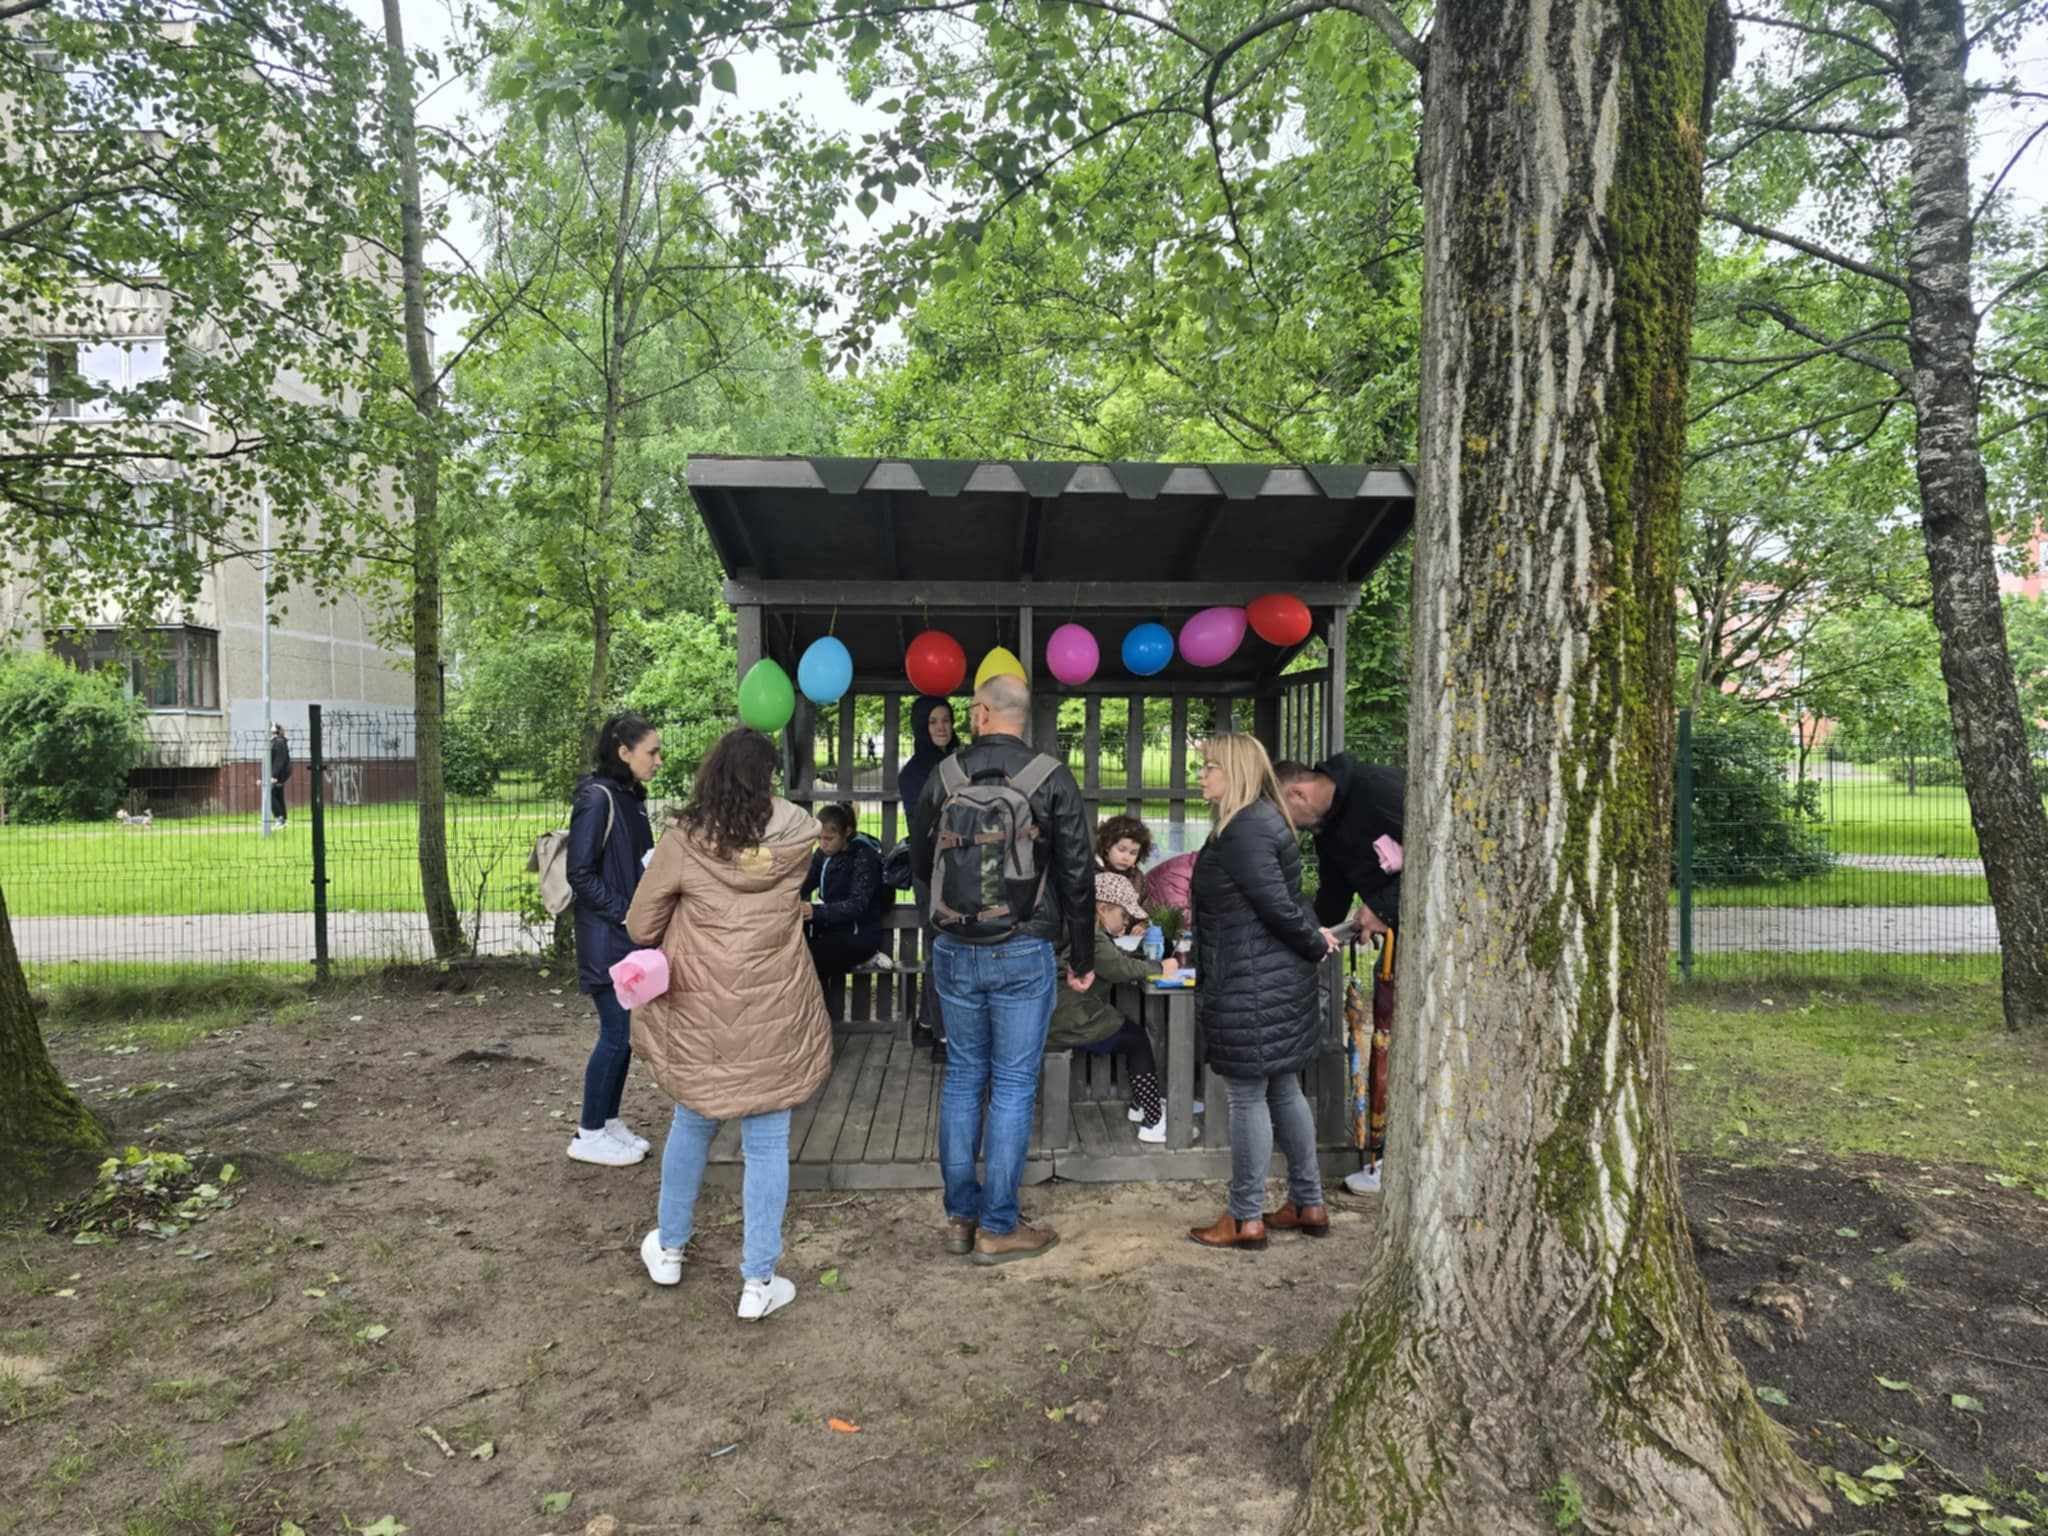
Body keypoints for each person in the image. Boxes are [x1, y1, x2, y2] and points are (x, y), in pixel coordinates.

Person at [625, 728, 832, 1321]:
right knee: (767, 1142)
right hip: (775, 1005)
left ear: (712, 774)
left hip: (701, 1010)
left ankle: (669, 1249)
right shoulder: (797, 839)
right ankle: (758, 1282)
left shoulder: (683, 842)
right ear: (770, 776)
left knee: (693, 1120)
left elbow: (641, 926)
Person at [912, 672, 1095, 1265]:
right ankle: (999, 1226)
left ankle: (960, 1219)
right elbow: (1077, 874)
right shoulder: (1051, 777)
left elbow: (920, 860)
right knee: (1013, 1085)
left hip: (954, 946)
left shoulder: (945, 776)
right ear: (1023, 716)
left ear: (980, 713)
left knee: (964, 1078)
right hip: (1023, 946)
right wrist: (1083, 956)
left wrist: (944, 926)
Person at [1188, 734, 1342, 1251]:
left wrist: (1313, 942)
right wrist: (1310, 938)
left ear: (1235, 771)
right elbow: (1282, 904)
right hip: (1268, 979)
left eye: (1211, 766)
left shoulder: (1246, 828)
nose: (1202, 775)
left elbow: (1276, 905)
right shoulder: (1256, 823)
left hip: (1251, 983)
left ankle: (1244, 1216)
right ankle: (1307, 1202)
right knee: (1282, 1088)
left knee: (1249, 1095)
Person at [1274, 755, 1404, 1195]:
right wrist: (1305, 939)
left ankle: (1398, 1158)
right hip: (1399, 937)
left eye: (1284, 815)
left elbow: (1442, 846)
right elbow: (1332, 897)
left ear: (1298, 793)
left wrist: (1382, 907)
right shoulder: (1326, 830)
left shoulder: (1377, 788)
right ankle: (1390, 1156)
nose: (1288, 829)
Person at [564, 712, 661, 1169]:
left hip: (628, 938)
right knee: (617, 1033)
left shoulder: (630, 798)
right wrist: (625, 912)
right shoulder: (596, 798)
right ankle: (588, 1133)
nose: (658, 760)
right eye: (651, 752)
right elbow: (580, 873)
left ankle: (608, 1120)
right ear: (624, 753)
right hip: (606, 939)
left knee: (625, 1035)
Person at [1050, 877, 1180, 1142]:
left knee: (1132, 1035)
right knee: (1137, 1040)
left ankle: (1141, 1105)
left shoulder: (1084, 931)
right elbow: (1119, 968)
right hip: (1072, 1019)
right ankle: (1153, 1120)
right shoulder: (1092, 938)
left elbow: (1115, 960)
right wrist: (1160, 967)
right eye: (1123, 914)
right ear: (1102, 908)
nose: (1126, 922)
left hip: (1065, 1014)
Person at [900, 696, 957, 1056]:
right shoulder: (914, 773)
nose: (941, 727)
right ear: (922, 726)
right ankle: (942, 1036)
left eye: (946, 720)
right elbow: (924, 827)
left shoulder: (960, 760)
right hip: (930, 868)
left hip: (961, 866)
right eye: (933, 721)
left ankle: (924, 1024)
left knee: (951, 947)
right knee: (941, 947)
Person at [802, 803, 886, 979]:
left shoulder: (864, 856)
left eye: (829, 838)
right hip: (831, 930)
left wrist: (815, 911)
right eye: (819, 838)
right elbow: (805, 884)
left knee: (810, 961)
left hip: (859, 936)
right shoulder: (823, 854)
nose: (823, 844)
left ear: (847, 832)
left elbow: (857, 905)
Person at [1093, 813, 1152, 924]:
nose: (1126, 857)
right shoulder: (1093, 874)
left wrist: (1142, 925)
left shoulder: (1138, 877)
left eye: (1133, 853)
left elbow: (1145, 907)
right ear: (1107, 846)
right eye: (1121, 850)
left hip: (1128, 933)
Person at [268, 725, 292, 826]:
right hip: (278, 772)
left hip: (279, 773)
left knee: (270, 794)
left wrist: (274, 776)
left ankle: (279, 817)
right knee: (278, 794)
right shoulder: (275, 741)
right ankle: (283, 818)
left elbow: (279, 760)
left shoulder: (279, 742)